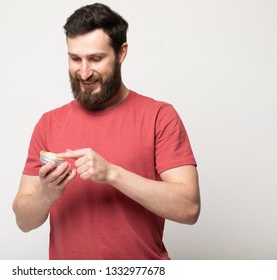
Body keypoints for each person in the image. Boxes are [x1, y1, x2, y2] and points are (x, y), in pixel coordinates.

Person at [13, 3, 200, 260]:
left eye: (96, 59)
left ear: (121, 52)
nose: (84, 72)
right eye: (75, 58)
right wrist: (47, 194)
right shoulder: (48, 123)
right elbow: (23, 220)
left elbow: (189, 208)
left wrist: (112, 173)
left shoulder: (160, 116)